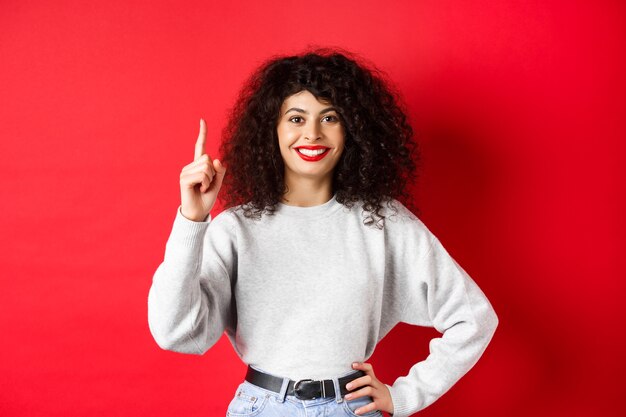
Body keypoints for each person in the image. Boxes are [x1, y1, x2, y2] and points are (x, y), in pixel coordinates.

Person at [147, 49, 498, 417]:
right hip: (261, 407)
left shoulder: (381, 221)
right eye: (296, 118)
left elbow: (473, 318)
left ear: (352, 129)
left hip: (351, 408)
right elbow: (175, 332)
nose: (312, 133)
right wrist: (191, 220)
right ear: (273, 129)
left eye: (329, 117)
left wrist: (406, 395)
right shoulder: (234, 229)